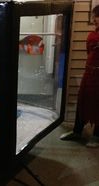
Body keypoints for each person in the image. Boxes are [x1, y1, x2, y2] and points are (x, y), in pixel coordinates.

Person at [60, 5, 99, 147]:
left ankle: (97, 136)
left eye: (97, 16)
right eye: (94, 16)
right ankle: (77, 131)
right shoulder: (92, 35)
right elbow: (89, 53)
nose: (95, 19)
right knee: (82, 100)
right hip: (89, 73)